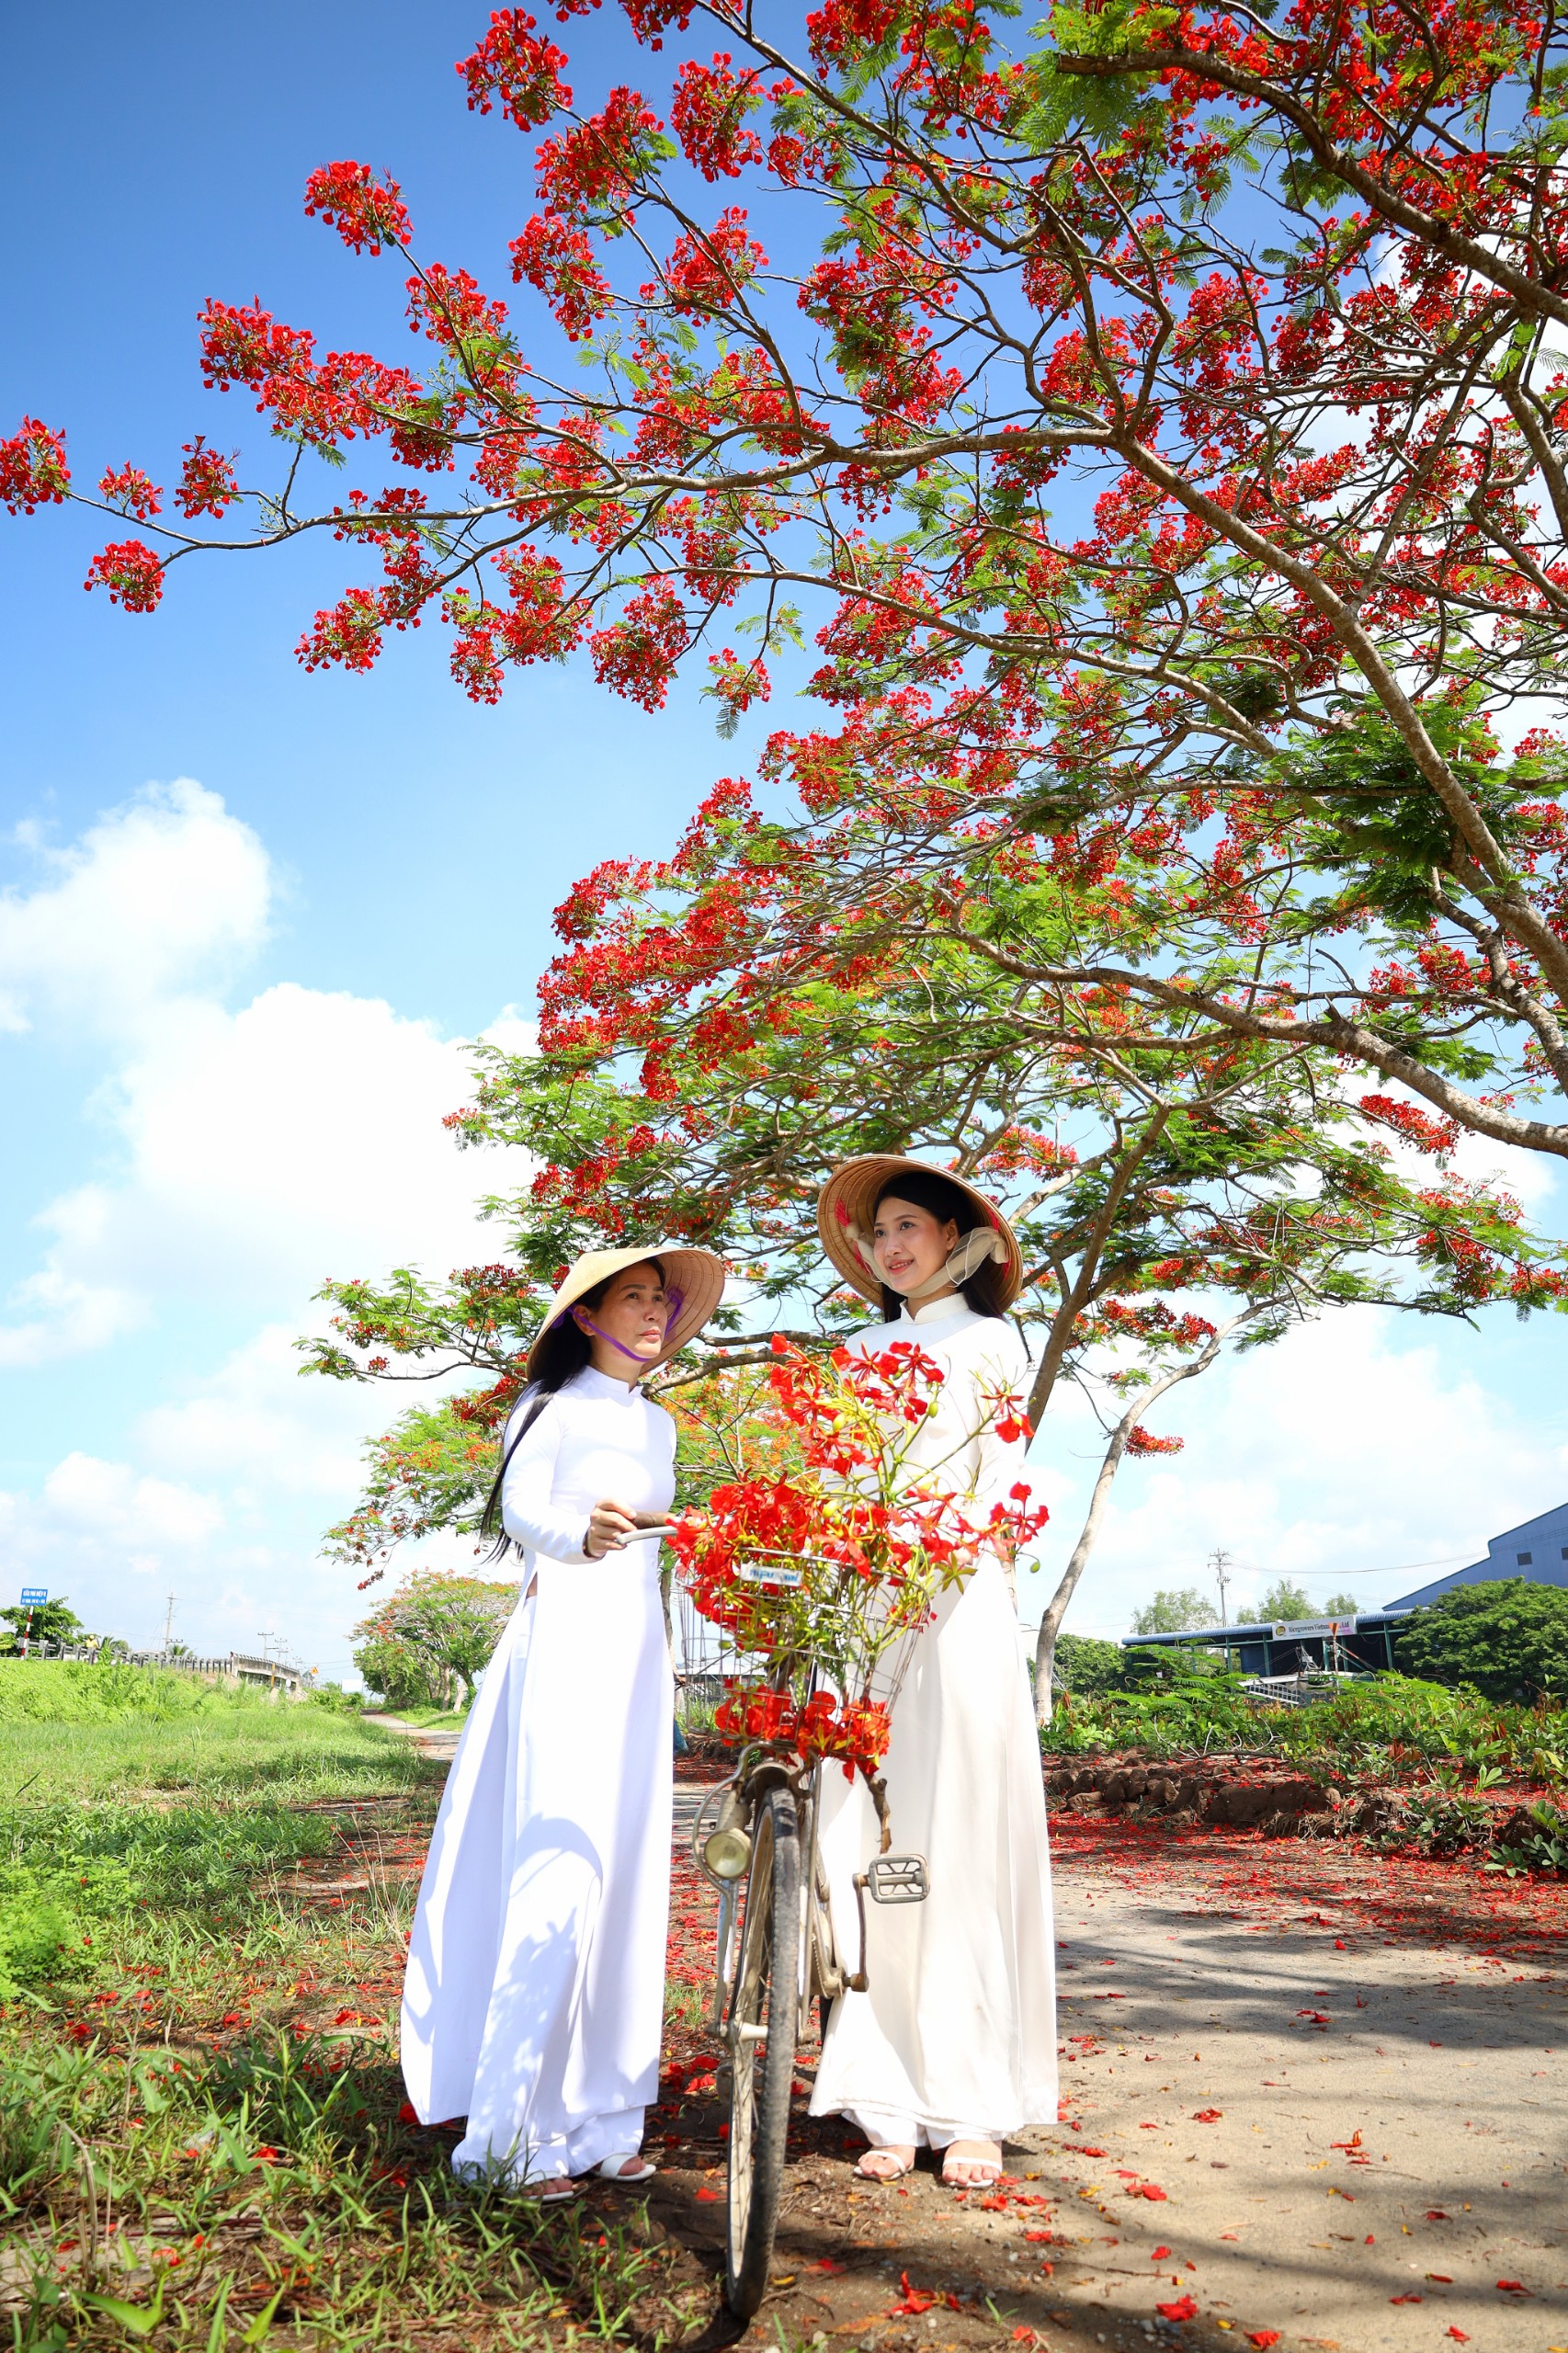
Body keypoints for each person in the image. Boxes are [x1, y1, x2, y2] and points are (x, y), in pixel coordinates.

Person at [400, 1243, 725, 2199]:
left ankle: (601, 2120)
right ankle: (509, 2137)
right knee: (556, 1874)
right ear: (585, 1316)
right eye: (633, 1299)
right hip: (564, 1644)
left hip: (634, 1651)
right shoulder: (548, 1406)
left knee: (624, 1876)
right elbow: (520, 1511)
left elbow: (654, 1536)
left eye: (662, 1302)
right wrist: (578, 1536)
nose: (653, 1314)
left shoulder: (658, 1424)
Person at [808, 1158, 1057, 2188]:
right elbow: (831, 1473)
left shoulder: (991, 1341)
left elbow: (1004, 1482)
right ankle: (884, 2096)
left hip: (958, 1605)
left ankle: (967, 2104)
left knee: (957, 1838)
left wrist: (930, 1546)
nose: (890, 1246)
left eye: (909, 1226)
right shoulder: (858, 1349)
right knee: (868, 1841)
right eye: (877, 1234)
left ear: (958, 1239)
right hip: (866, 1612)